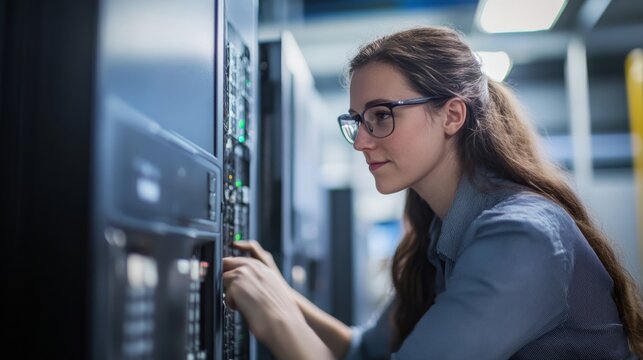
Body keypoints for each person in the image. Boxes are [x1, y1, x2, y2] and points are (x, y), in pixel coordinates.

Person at [222, 26, 643, 359]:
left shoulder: (521, 237)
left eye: (381, 116)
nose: (360, 142)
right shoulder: (440, 234)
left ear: (452, 115)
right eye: (357, 121)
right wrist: (282, 294)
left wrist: (278, 321)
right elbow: (361, 352)